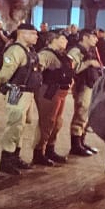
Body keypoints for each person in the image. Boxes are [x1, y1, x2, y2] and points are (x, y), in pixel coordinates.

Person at [0, 23, 42, 175]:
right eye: (33, 33)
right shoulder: (16, 50)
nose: (37, 37)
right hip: (17, 92)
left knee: (20, 126)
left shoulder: (29, 50)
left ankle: (15, 157)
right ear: (23, 34)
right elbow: (5, 73)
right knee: (14, 125)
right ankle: (6, 161)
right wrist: (2, 85)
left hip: (28, 93)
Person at [32, 31, 74, 167]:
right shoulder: (47, 54)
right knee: (47, 123)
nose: (66, 41)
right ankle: (39, 153)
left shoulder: (61, 55)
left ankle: (49, 150)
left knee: (56, 123)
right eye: (62, 39)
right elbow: (37, 67)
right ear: (53, 40)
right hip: (49, 91)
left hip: (60, 91)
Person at [67, 30, 104, 156]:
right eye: (93, 37)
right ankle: (76, 145)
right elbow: (71, 69)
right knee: (81, 114)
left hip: (91, 85)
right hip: (82, 86)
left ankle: (81, 142)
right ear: (85, 37)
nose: (96, 39)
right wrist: (88, 63)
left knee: (86, 116)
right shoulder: (76, 51)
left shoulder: (91, 50)